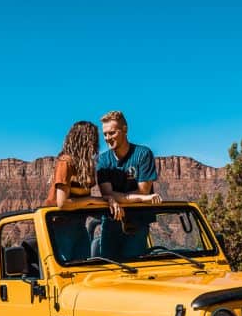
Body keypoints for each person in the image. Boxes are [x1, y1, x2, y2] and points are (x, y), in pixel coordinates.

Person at [44, 121, 121, 263]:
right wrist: (93, 200)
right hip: (60, 226)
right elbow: (62, 203)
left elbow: (83, 200)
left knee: (83, 266)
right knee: (66, 270)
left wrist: (107, 200)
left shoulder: (86, 166)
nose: (96, 144)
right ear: (83, 140)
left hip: (79, 224)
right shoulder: (65, 163)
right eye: (93, 139)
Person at [95, 110, 162, 259]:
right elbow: (107, 194)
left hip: (138, 221)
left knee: (133, 266)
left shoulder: (143, 154)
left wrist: (118, 197)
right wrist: (138, 198)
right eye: (105, 134)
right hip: (112, 220)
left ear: (125, 129)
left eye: (112, 133)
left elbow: (143, 192)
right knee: (108, 267)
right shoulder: (103, 160)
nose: (107, 138)